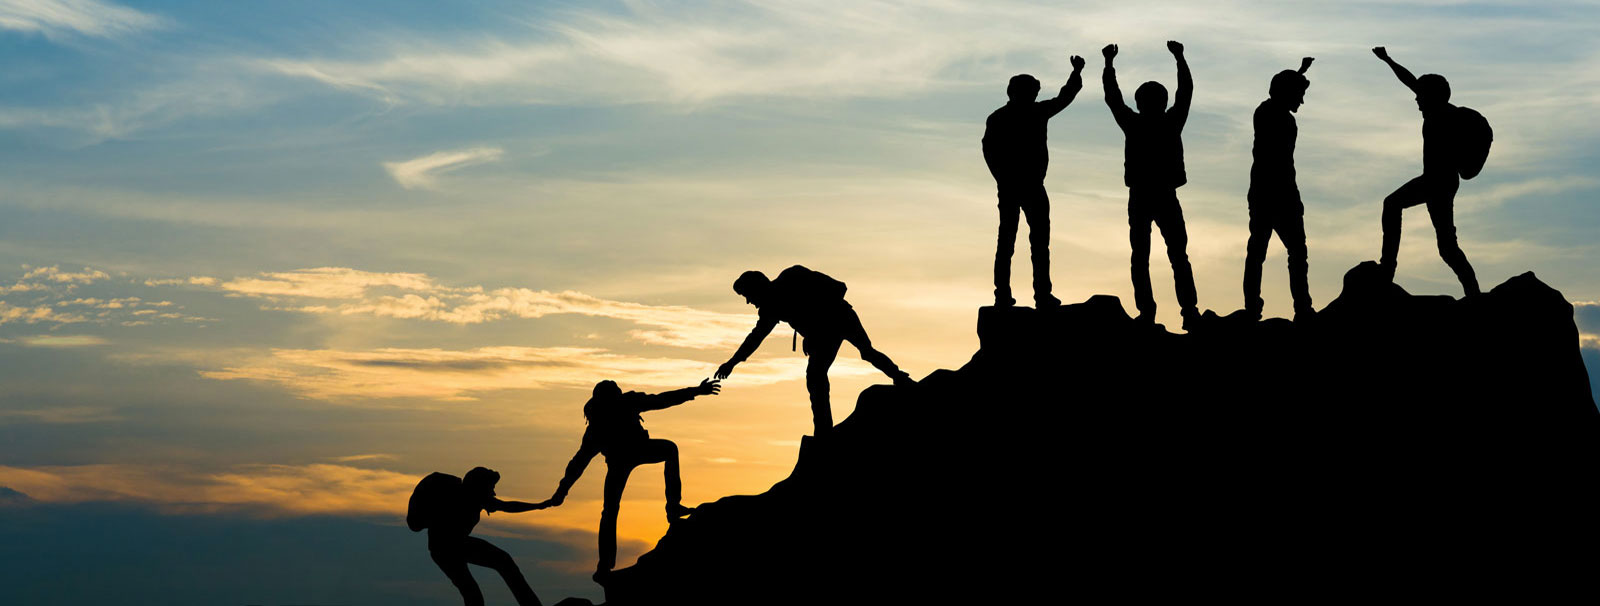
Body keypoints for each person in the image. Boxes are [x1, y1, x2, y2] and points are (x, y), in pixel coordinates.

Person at [546, 378, 720, 582]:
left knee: (612, 509)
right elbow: (578, 462)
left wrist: (696, 391)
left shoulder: (620, 407)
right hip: (622, 459)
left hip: (634, 452)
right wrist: (561, 492)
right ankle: (605, 565)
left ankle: (673, 509)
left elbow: (662, 400)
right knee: (610, 510)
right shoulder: (599, 423)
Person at [715, 266, 912, 437]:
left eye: (747, 295)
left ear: (757, 287)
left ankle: (900, 377)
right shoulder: (770, 309)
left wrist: (814, 331)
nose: (749, 301)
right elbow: (755, 338)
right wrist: (732, 363)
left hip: (841, 318)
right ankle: (823, 430)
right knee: (816, 376)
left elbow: (839, 287)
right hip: (822, 335)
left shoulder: (792, 276)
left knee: (865, 353)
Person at [1103, 41, 1202, 330]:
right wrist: (1180, 58)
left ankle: (1161, 312)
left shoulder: (1138, 123)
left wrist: (1109, 64)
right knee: (1170, 256)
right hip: (1156, 195)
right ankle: (1181, 311)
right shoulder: (1168, 122)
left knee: (1150, 257)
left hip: (1149, 195)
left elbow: (1113, 98)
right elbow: (1185, 92)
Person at [1371, 46, 1481, 296]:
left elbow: (1412, 83)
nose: (1416, 100)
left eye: (1421, 96)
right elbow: (1409, 80)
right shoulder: (1437, 111)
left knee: (1392, 205)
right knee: (1447, 247)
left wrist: (1388, 60)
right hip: (1438, 180)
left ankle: (1387, 269)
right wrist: (1388, 60)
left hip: (1438, 181)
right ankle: (1472, 291)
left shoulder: (1444, 116)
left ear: (1432, 96)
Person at [982, 54, 1088, 308]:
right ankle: (1013, 295)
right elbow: (989, 151)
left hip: (1025, 186)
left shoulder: (1025, 113)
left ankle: (1035, 294)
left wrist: (1076, 73)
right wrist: (1003, 177)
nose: (1032, 94)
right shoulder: (1012, 116)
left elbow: (1065, 98)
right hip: (1019, 186)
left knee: (1029, 242)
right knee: (1017, 241)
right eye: (1029, 90)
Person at [1244, 57, 1316, 321]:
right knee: (1269, 252)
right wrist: (1299, 73)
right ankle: (1296, 308)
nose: (1301, 101)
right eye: (1299, 95)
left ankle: (1292, 307)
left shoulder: (1270, 112)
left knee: (1278, 252)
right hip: (1273, 194)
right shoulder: (1270, 115)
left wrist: (1300, 72)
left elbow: (1283, 90)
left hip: (1277, 193)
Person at [427, 467, 547, 606]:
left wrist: (540, 506)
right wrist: (540, 505)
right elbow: (508, 506)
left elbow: (506, 506)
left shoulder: (470, 495)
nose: (494, 492)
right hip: (452, 546)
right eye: (491, 487)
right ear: (480, 486)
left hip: (440, 549)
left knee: (473, 594)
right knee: (503, 562)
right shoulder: (472, 496)